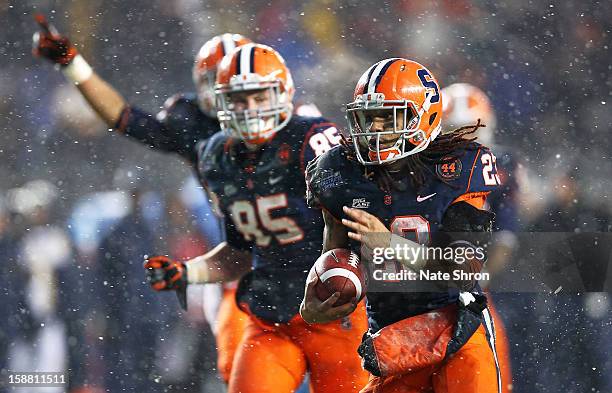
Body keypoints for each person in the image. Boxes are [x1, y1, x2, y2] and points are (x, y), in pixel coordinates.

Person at [32, 16, 250, 383]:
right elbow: (124, 118)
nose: (230, 93)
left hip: (300, 254)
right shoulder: (193, 124)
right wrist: (73, 64)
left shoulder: (299, 131)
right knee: (238, 365)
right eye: (220, 82)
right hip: (239, 259)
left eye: (242, 85)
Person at [144, 43, 369, 393]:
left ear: (283, 94)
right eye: (239, 99)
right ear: (221, 103)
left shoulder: (311, 140)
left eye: (259, 97)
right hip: (270, 317)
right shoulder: (217, 157)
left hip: (335, 312)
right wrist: (188, 272)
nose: (249, 110)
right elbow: (239, 253)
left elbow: (364, 225)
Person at [301, 58, 502, 392]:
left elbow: (465, 268)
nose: (375, 130)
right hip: (392, 340)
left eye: (389, 119)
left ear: (425, 117)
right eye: (368, 119)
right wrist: (315, 305)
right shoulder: (338, 173)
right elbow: (335, 258)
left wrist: (391, 244)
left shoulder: (457, 167)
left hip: (455, 333)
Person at [441, 82, 516, 393]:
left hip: (471, 283)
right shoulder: (421, 166)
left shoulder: (500, 167)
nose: (465, 140)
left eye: (472, 130)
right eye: (457, 131)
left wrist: (478, 279)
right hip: (414, 281)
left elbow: (505, 239)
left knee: (489, 361)